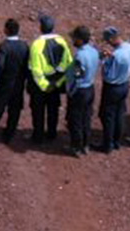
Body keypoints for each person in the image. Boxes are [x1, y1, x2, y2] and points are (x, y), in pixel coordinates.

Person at [26, 14, 70, 143]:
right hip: (55, 83)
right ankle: (52, 134)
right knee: (53, 110)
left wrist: (45, 85)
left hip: (40, 86)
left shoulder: (36, 45)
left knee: (38, 111)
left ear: (41, 27)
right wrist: (57, 83)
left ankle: (38, 136)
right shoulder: (62, 41)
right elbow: (68, 63)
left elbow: (36, 70)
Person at [64, 26, 99, 156]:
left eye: (74, 38)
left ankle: (76, 147)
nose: (73, 40)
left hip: (80, 91)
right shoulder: (94, 51)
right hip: (90, 88)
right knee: (86, 118)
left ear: (79, 40)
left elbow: (78, 76)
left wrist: (71, 91)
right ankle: (86, 144)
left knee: (76, 120)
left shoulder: (80, 56)